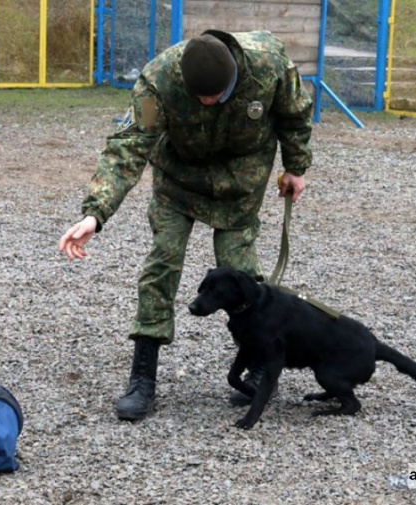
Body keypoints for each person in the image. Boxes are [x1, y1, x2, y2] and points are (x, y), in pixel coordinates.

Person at [59, 29, 313, 420]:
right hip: (177, 182)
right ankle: (143, 374)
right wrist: (96, 213)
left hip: (240, 185)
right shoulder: (158, 82)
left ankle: (260, 363)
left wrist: (295, 166)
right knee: (163, 261)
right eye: (199, 98)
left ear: (234, 79)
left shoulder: (269, 64)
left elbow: (294, 113)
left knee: (243, 275)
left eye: (216, 96)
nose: (207, 102)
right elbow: (129, 144)